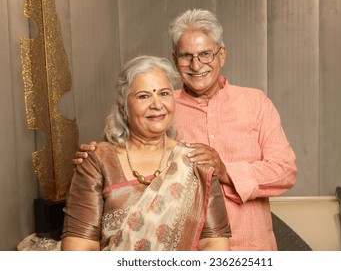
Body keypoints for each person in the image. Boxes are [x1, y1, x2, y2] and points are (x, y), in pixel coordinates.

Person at [74, 9, 297, 250]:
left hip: (252, 249)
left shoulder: (255, 102)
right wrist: (93, 157)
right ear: (174, 59)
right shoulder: (161, 108)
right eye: (186, 56)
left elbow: (285, 170)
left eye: (205, 54)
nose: (196, 64)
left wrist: (225, 171)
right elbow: (125, 153)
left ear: (222, 55)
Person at [61, 55, 231, 251]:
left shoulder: (196, 162)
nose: (157, 104)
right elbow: (79, 249)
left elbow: (214, 244)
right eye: (144, 96)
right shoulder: (98, 162)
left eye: (164, 93)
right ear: (124, 106)